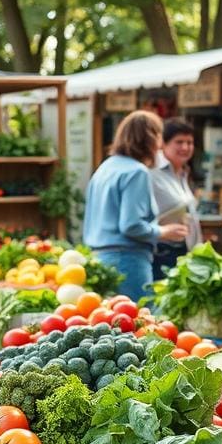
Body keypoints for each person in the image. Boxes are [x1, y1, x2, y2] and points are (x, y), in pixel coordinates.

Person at [83, 110, 188, 301]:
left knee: (110, 323)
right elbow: (131, 225)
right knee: (139, 321)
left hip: (99, 259)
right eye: (158, 136)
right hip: (127, 260)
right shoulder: (137, 172)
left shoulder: (105, 167)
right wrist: (163, 232)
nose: (160, 145)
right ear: (149, 138)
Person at [150, 118, 202, 279]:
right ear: (163, 144)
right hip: (161, 253)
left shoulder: (182, 172)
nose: (185, 147)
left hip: (185, 253)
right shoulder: (151, 172)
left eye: (189, 142)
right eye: (179, 142)